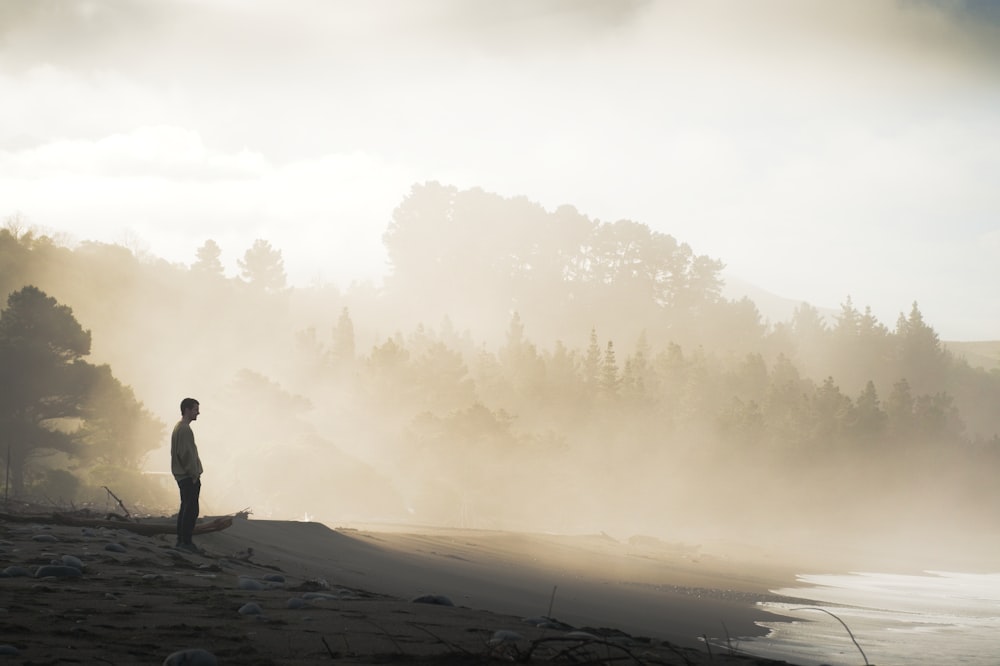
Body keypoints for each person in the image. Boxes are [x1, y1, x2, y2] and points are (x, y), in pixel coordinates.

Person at [171, 397, 203, 553]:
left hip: (182, 475)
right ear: (187, 410)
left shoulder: (179, 427)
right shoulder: (184, 429)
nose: (198, 412)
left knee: (186, 507)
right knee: (191, 509)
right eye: (196, 409)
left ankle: (181, 541)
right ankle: (186, 542)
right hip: (187, 476)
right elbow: (186, 454)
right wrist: (194, 474)